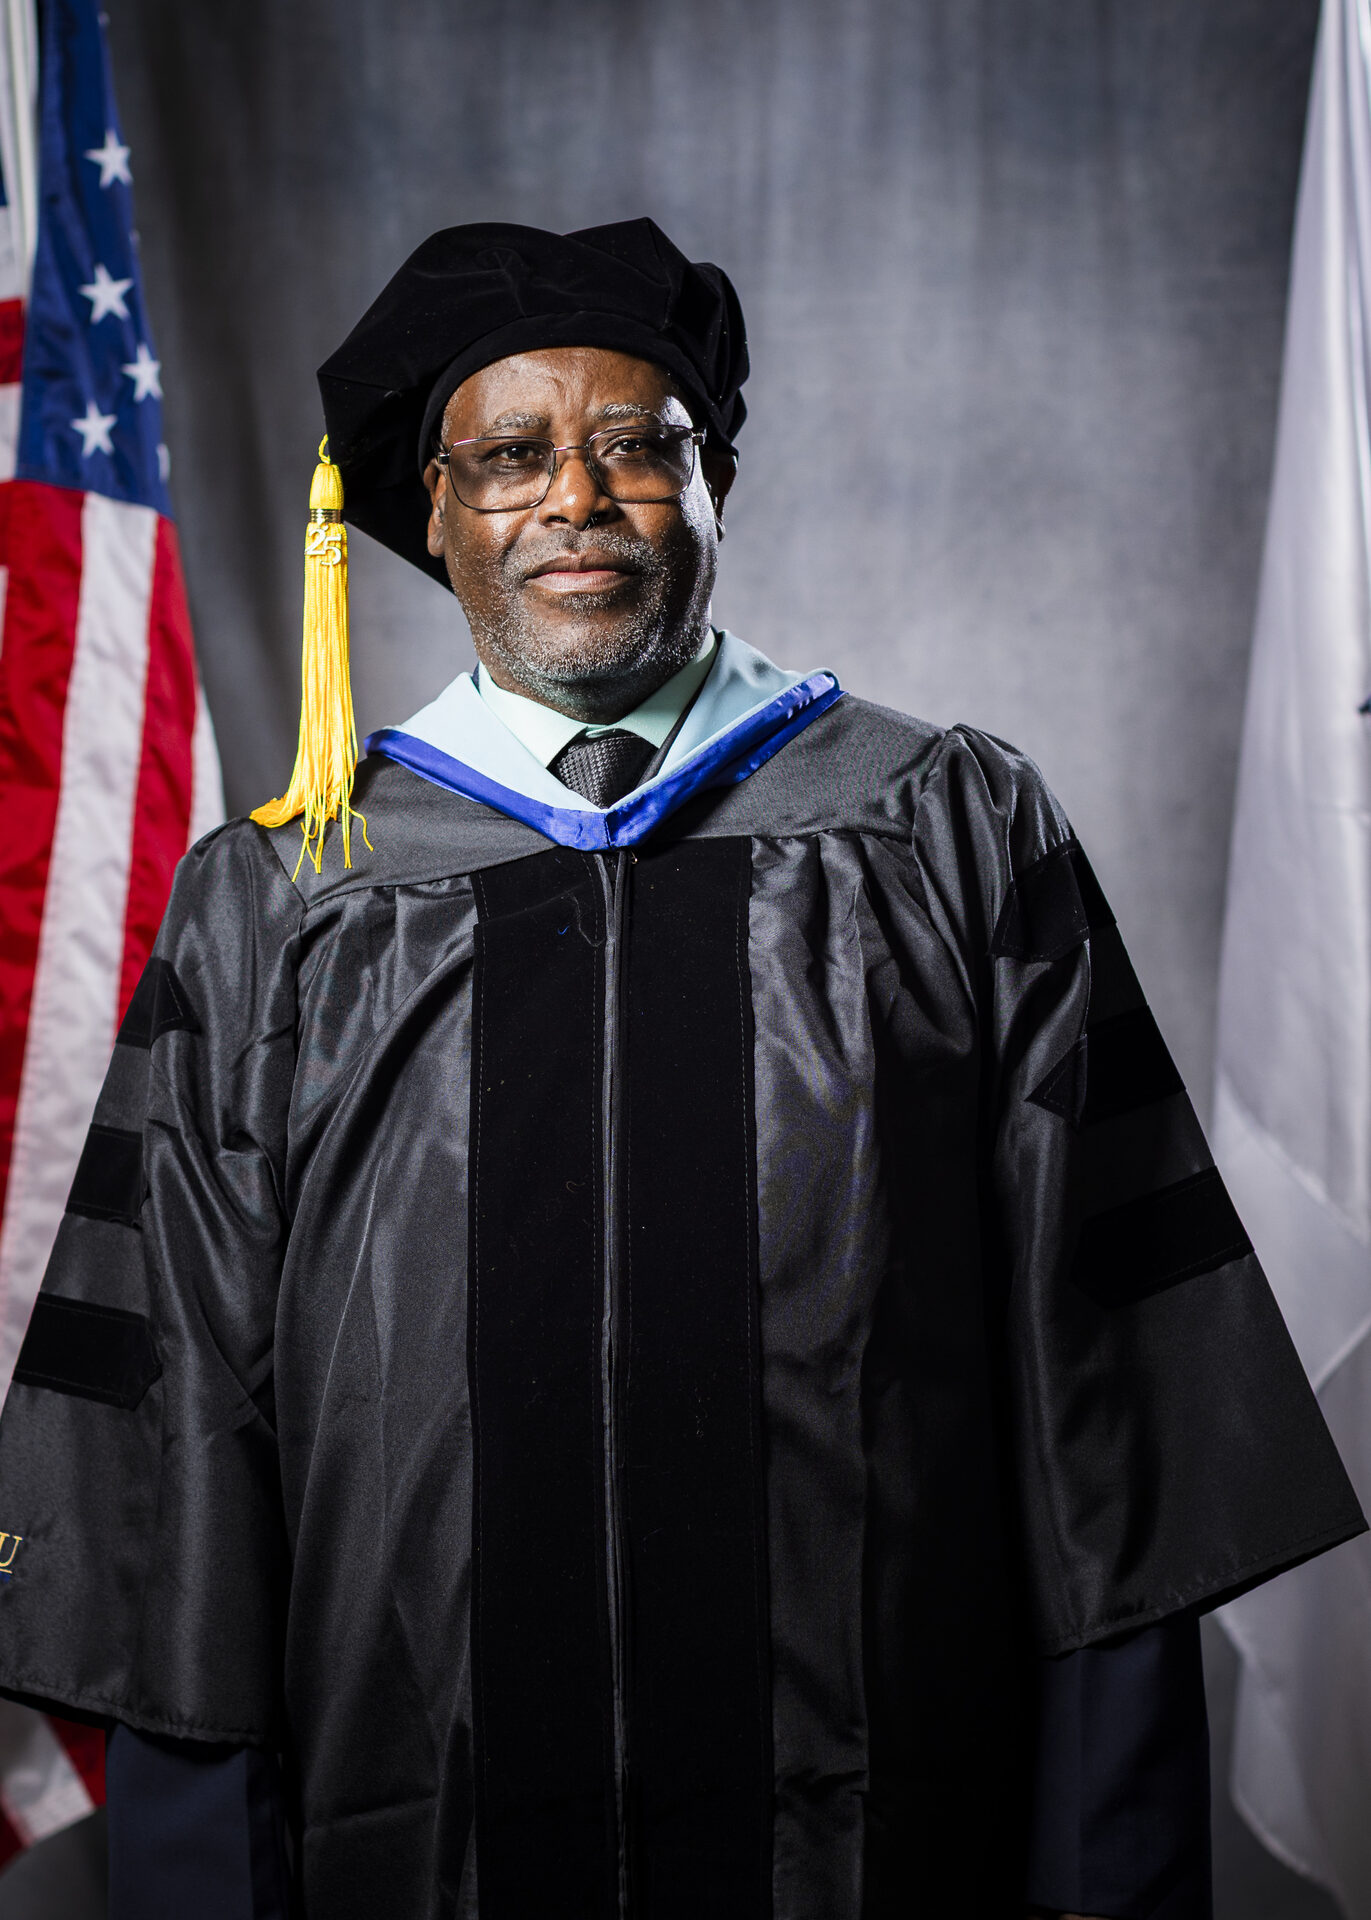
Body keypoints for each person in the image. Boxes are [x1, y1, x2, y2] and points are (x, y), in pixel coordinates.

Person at [0, 218, 1359, 1920]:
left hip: (882, 1855)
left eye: (638, 445)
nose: (576, 496)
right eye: (510, 456)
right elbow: (177, 1473)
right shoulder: (281, 904)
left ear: (716, 483)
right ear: (431, 513)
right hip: (416, 1853)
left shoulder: (946, 833)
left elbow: (1117, 1437)